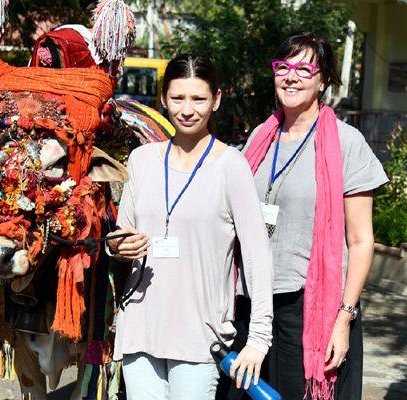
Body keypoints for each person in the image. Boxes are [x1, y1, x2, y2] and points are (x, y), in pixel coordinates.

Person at [222, 33, 388, 400]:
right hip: (250, 302)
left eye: (303, 68)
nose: (291, 76)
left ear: (323, 80)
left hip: (306, 307)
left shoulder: (346, 143)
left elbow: (361, 241)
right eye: (283, 67)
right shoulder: (258, 139)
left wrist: (344, 319)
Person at [106, 54, 274, 399]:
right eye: (178, 97)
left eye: (198, 98)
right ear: (164, 98)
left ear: (216, 100)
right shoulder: (142, 160)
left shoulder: (232, 166)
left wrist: (258, 338)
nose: (187, 109)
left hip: (200, 337)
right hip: (141, 328)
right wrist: (117, 246)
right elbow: (121, 235)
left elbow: (257, 256)